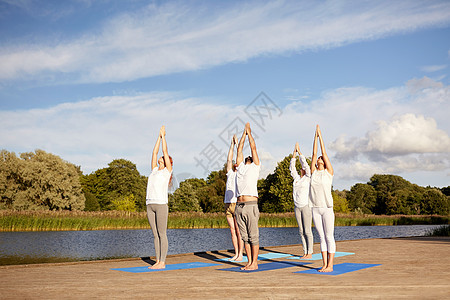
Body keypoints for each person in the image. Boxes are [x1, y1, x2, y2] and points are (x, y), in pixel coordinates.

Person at [146, 125, 173, 269]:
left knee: (162, 233)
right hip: (150, 204)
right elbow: (154, 152)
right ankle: (157, 260)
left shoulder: (167, 172)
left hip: (161, 205)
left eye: (163, 159)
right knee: (155, 234)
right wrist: (157, 136)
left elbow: (164, 151)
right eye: (160, 159)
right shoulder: (154, 170)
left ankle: (162, 262)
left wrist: (163, 137)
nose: (159, 159)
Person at [235, 122, 261, 270]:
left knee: (253, 236)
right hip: (239, 205)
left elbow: (253, 147)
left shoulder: (255, 167)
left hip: (251, 204)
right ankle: (249, 261)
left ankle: (255, 263)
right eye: (246, 158)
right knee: (244, 237)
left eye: (250, 158)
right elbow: (239, 150)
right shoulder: (240, 168)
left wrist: (249, 133)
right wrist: (243, 135)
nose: (248, 159)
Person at [310, 124, 335, 272]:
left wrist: (320, 136)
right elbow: (314, 154)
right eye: (318, 158)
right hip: (315, 208)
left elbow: (323, 152)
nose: (319, 158)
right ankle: (324, 264)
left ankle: (330, 265)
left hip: (327, 208)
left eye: (321, 158)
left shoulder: (328, 173)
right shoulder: (313, 173)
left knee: (328, 236)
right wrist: (314, 136)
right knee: (321, 237)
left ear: (324, 162)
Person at [289, 142, 314, 259]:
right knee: (301, 230)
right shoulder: (297, 179)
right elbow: (291, 168)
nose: (301, 169)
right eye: (301, 169)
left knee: (307, 230)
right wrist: (293, 154)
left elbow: (306, 165)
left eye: (302, 168)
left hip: (306, 206)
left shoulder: (308, 178)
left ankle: (310, 252)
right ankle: (305, 252)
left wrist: (300, 153)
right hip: (297, 207)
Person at [224, 134, 245, 261]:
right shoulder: (230, 173)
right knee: (232, 231)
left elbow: (239, 156)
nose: (235, 164)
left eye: (237, 163)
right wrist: (232, 144)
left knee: (238, 231)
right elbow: (229, 159)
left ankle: (241, 254)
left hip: (237, 203)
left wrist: (238, 145)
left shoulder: (241, 175)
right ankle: (236, 253)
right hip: (227, 203)